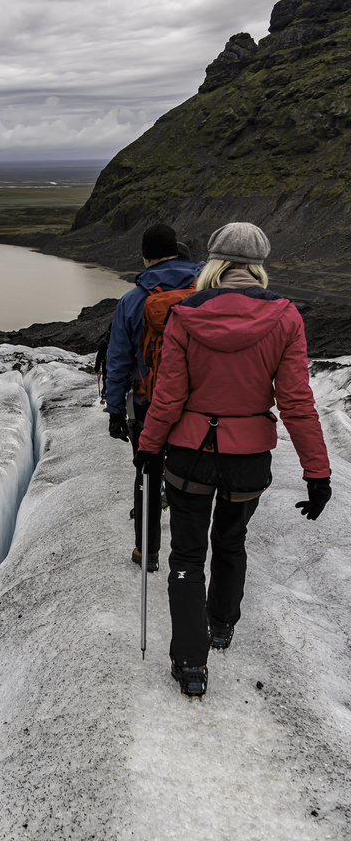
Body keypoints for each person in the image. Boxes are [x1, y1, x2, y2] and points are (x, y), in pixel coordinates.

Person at [134, 221, 331, 697]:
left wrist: (149, 447)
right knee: (230, 543)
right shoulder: (285, 318)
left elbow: (169, 394)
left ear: (215, 262)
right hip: (248, 459)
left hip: (189, 455)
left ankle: (190, 661)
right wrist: (317, 472)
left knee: (185, 553)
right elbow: (297, 401)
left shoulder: (185, 315)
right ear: (258, 266)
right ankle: (221, 626)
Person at [106, 223, 202, 570]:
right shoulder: (207, 291)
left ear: (145, 256)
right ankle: (189, 559)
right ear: (176, 251)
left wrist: (115, 411)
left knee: (147, 472)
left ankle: (146, 552)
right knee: (192, 479)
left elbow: (118, 361)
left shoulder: (133, 301)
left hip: (150, 405)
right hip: (199, 406)